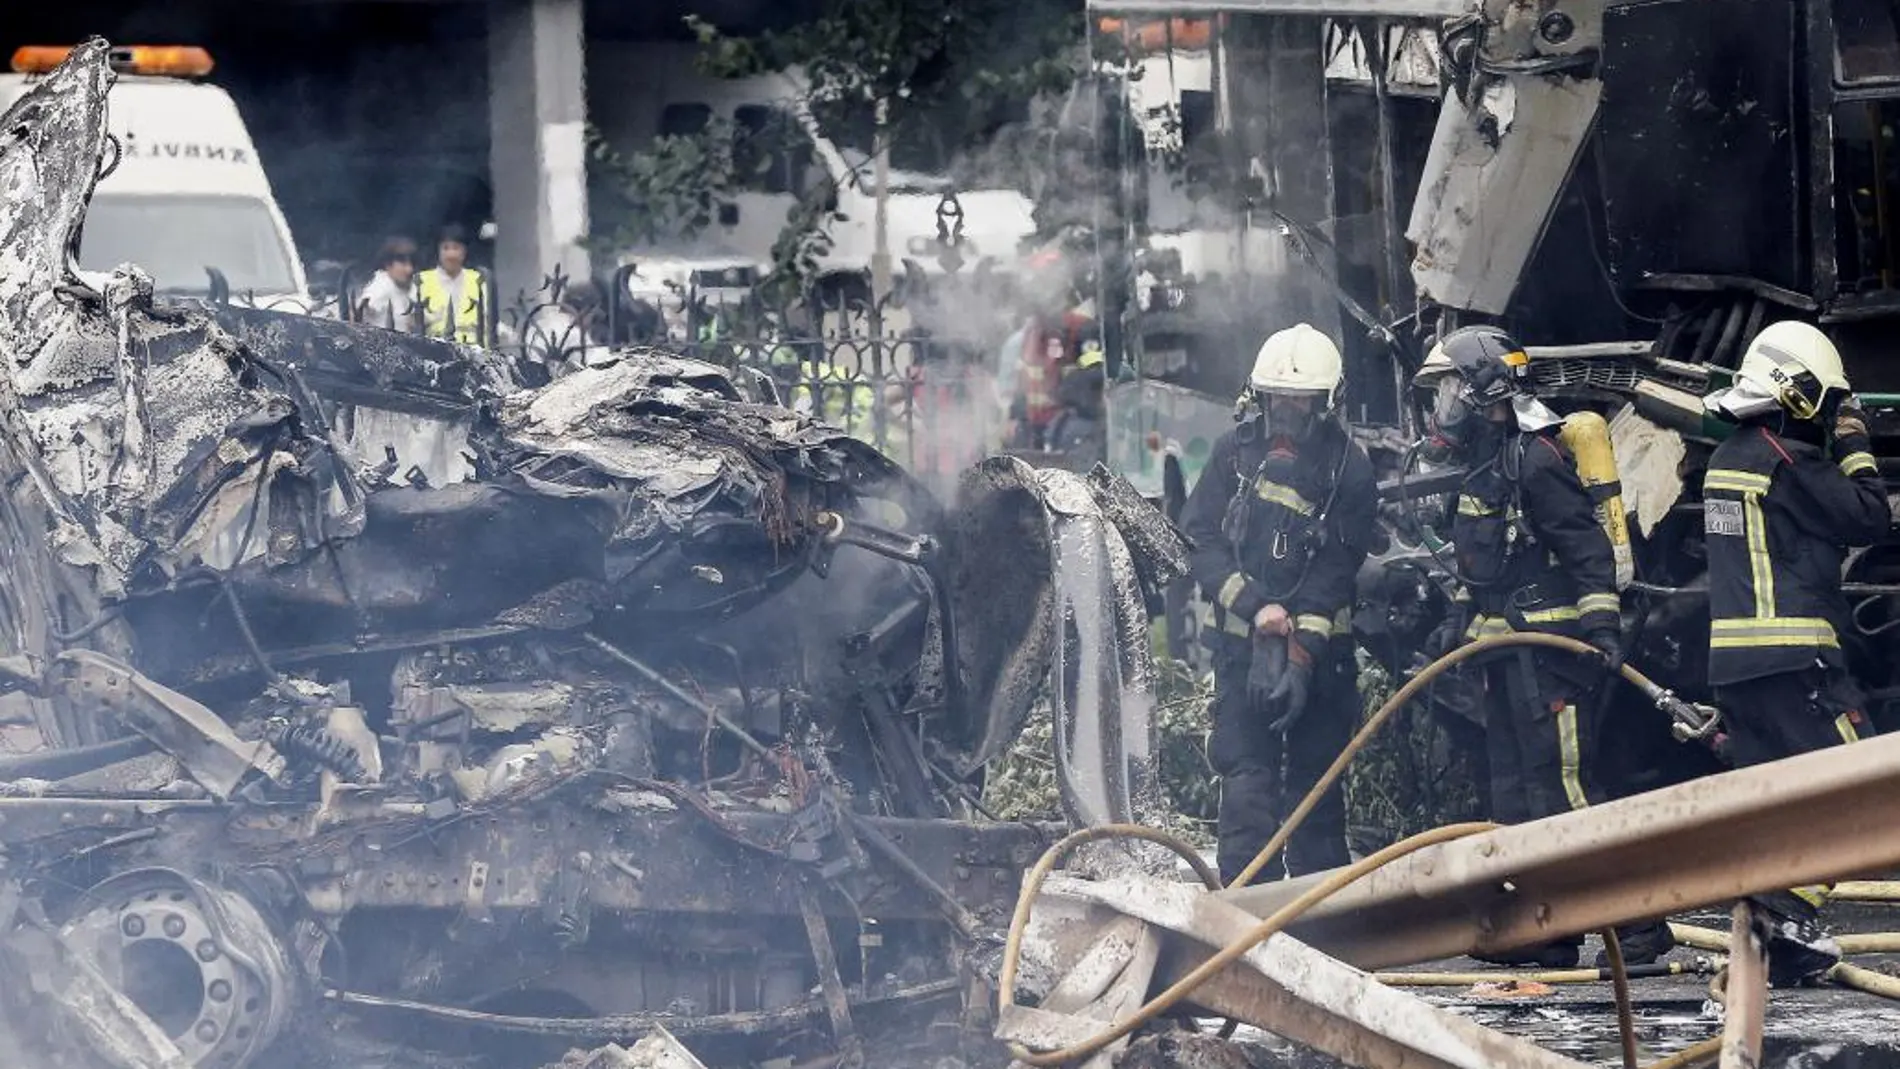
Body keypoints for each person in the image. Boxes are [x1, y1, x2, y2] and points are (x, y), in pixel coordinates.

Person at [1417, 324, 1647, 969]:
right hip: (1506, 663)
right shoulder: (1487, 469)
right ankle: (1548, 929)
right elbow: (1487, 569)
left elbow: (1586, 550)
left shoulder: (1537, 459)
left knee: (1568, 794)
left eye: (1448, 393)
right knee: (1517, 800)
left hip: (1554, 661)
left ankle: (1638, 926)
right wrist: (1457, 619)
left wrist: (1601, 631)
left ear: (1482, 388)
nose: (1442, 411)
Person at [1700, 320, 1890, 986]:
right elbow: (1870, 516)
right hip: (1798, 661)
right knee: (1863, 782)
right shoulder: (1790, 461)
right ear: (1801, 392)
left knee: (1777, 805)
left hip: (1737, 671)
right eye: (1830, 400)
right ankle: (1790, 914)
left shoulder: (1728, 459)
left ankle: (1773, 934)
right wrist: (1855, 442)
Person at [1179, 323, 1377, 884]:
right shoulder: (1233, 456)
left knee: (1316, 790)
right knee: (1247, 783)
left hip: (1323, 661)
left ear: (1326, 403)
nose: (1286, 414)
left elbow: (1336, 572)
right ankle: (1246, 920)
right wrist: (1255, 610)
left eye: (1300, 402)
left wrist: (1301, 657)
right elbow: (1200, 537)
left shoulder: (1348, 471)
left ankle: (1322, 928)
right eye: (1278, 400)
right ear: (1258, 398)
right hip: (1242, 657)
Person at [416, 224, 487, 345]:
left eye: (456, 248)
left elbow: (488, 320)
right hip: (433, 351)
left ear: (464, 251)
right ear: (438, 251)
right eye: (446, 248)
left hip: (473, 350)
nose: (451, 255)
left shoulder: (477, 280)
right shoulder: (422, 280)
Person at [356, 237, 418, 332]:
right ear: (388, 264)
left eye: (411, 263)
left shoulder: (411, 287)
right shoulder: (381, 285)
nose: (409, 269)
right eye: (403, 264)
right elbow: (357, 313)